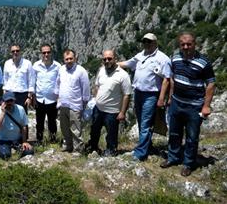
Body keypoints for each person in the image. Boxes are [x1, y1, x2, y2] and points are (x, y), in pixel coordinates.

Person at [160, 32, 215, 176]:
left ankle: (188, 163)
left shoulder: (204, 62)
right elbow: (173, 78)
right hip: (176, 103)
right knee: (174, 133)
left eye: (189, 44)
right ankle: (173, 158)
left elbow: (210, 84)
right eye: (182, 44)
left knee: (192, 136)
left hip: (194, 106)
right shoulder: (175, 57)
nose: (185, 47)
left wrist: (206, 106)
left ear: (195, 44)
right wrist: (170, 97)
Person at [119, 33, 171, 161]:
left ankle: (140, 153)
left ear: (155, 42)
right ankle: (148, 146)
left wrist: (161, 99)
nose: (146, 44)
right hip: (138, 93)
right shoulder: (140, 55)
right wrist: (110, 63)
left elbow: (167, 79)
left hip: (151, 95)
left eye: (149, 42)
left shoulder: (163, 59)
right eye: (144, 42)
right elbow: (127, 64)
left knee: (146, 123)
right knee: (142, 122)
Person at [87, 50, 132, 156]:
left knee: (111, 134)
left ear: (115, 59)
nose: (107, 61)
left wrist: (122, 112)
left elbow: (127, 95)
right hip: (98, 108)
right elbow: (97, 85)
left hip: (112, 111)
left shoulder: (123, 75)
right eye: (105, 59)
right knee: (94, 131)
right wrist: (95, 99)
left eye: (109, 58)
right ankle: (93, 148)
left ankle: (111, 151)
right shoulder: (101, 70)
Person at [55, 49, 90, 153]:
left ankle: (78, 149)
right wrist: (57, 99)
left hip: (75, 104)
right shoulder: (61, 69)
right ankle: (68, 146)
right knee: (64, 127)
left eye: (71, 58)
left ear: (75, 58)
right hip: (63, 104)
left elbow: (86, 88)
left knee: (75, 129)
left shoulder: (81, 71)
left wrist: (84, 103)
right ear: (64, 60)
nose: (69, 61)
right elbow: (57, 84)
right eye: (66, 59)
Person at [33, 44, 61, 143]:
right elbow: (33, 82)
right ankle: (39, 140)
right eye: (44, 52)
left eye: (48, 52)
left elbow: (60, 82)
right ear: (41, 53)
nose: (46, 54)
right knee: (39, 122)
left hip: (52, 99)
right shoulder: (36, 66)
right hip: (40, 99)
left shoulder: (57, 66)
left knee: (52, 122)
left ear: (51, 53)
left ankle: (53, 140)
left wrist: (59, 98)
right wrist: (33, 97)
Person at [0, 92, 34, 160]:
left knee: (29, 151)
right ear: (3, 102)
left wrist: (24, 141)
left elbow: (24, 126)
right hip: (4, 139)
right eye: (7, 101)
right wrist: (3, 112)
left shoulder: (20, 109)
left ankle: (19, 153)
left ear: (14, 101)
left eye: (11, 101)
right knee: (5, 155)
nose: (9, 103)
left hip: (17, 139)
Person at [3, 44, 35, 113]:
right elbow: (5, 80)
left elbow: (31, 81)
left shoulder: (27, 63)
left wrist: (29, 97)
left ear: (20, 52)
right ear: (10, 52)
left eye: (17, 51)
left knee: (22, 116)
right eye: (13, 51)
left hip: (22, 95)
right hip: (10, 94)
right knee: (9, 115)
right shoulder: (7, 63)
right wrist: (4, 95)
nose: (15, 52)